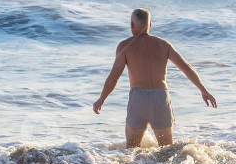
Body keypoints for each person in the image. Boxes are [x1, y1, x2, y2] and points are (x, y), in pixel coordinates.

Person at [92, 8, 217, 148]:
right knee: (167, 150)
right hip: (161, 98)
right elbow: (186, 68)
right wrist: (204, 90)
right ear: (150, 25)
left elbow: (113, 78)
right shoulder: (164, 45)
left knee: (131, 150)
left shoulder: (125, 46)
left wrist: (101, 99)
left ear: (131, 25)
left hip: (139, 99)